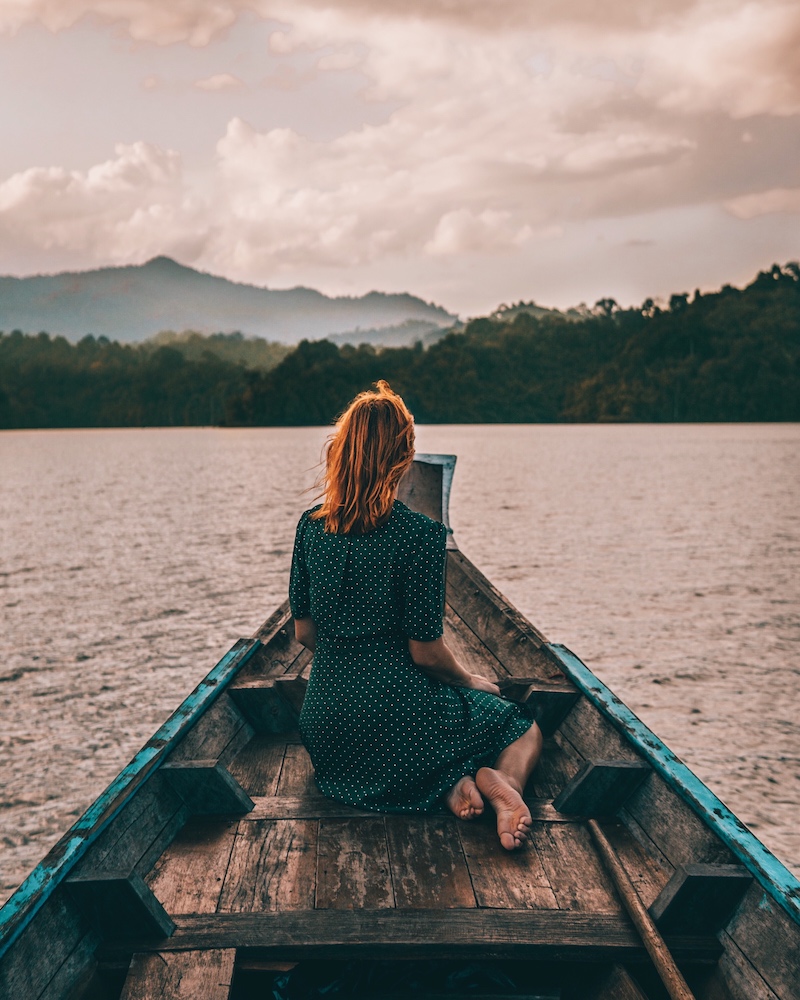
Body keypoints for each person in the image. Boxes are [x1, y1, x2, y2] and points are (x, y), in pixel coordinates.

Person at [289, 381, 542, 850]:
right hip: (396, 712)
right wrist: (471, 681)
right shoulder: (421, 535)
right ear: (403, 458)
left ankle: (450, 786)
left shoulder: (310, 526)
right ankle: (502, 783)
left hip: (327, 728)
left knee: (399, 752)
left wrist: (352, 670)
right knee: (520, 725)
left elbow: (305, 632)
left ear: (340, 451)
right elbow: (425, 654)